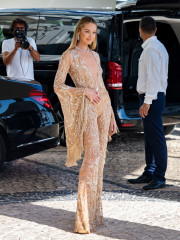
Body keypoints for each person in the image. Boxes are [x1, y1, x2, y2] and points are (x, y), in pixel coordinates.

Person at [54, 16, 118, 233]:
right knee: (91, 157)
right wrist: (84, 92)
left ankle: (94, 213)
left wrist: (111, 115)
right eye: (87, 31)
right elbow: (58, 86)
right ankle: (82, 218)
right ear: (79, 32)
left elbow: (101, 84)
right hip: (87, 108)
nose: (91, 36)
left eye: (94, 32)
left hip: (103, 107)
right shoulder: (69, 55)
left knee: (99, 159)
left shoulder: (96, 55)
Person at [128, 16, 169, 190]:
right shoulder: (157, 47)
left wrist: (147, 102)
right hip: (154, 97)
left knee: (156, 138)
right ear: (155, 29)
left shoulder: (151, 50)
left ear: (139, 29)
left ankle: (159, 177)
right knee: (150, 137)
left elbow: (153, 79)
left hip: (152, 98)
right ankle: (150, 172)